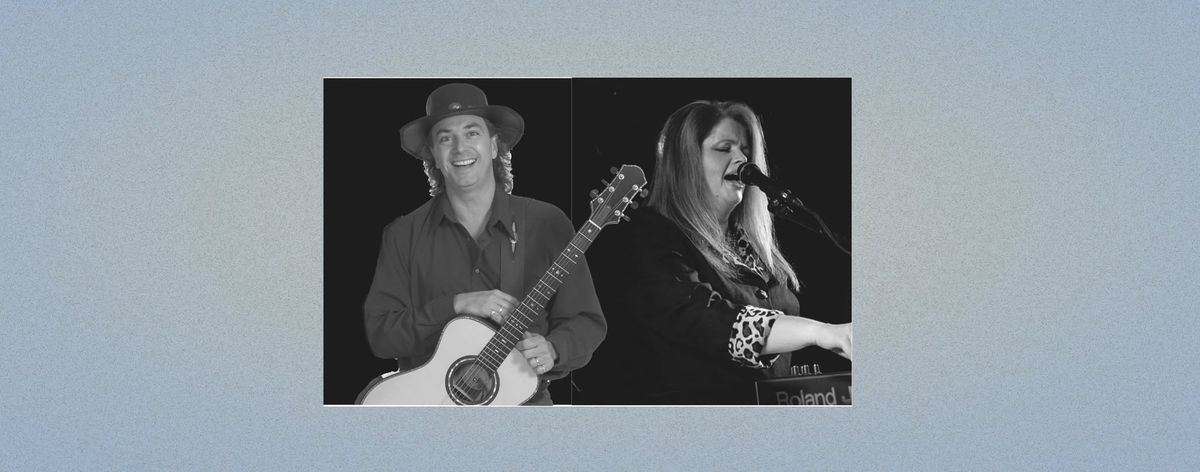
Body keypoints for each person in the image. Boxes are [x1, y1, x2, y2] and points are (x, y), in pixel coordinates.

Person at [361, 83, 606, 405]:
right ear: (433, 154)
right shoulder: (403, 234)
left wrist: (555, 348)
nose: (460, 148)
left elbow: (586, 320)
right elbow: (381, 335)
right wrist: (456, 305)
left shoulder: (546, 222)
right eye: (445, 138)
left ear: (494, 146)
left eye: (472, 133)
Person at [616, 100, 851, 404]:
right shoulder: (650, 236)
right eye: (724, 148)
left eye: (744, 149)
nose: (742, 159)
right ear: (686, 161)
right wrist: (822, 333)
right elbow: (708, 320)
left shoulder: (747, 245)